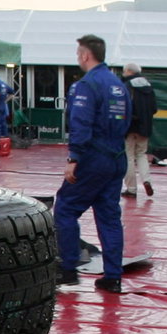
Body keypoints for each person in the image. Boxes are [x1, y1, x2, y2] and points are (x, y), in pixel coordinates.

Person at [54, 34, 131, 293]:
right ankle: (113, 276)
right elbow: (128, 120)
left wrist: (74, 158)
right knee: (109, 217)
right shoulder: (118, 85)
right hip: (117, 157)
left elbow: (81, 123)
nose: (78, 58)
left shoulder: (86, 85)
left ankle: (67, 269)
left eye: (78, 54)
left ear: (86, 55)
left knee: (65, 209)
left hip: (93, 157)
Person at [120, 64, 157, 197]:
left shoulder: (126, 86)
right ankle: (146, 180)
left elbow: (123, 107)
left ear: (129, 71)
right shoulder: (149, 86)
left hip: (130, 127)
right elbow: (154, 108)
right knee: (142, 154)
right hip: (145, 127)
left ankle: (131, 189)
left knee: (128, 157)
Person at [0, 73, 15, 140]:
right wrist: (5, 101)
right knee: (3, 122)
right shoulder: (3, 84)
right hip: (3, 106)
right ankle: (5, 139)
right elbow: (12, 93)